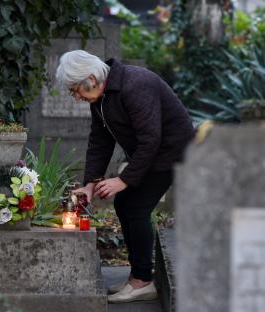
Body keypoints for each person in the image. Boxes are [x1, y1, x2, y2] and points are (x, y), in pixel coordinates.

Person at [56, 50, 194, 303]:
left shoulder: (135, 85)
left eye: (75, 89)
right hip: (150, 154)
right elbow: (100, 141)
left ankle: (142, 282)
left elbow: (151, 140)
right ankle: (137, 278)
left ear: (91, 78)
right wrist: (90, 184)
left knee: (136, 207)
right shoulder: (101, 98)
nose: (75, 96)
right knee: (124, 204)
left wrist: (123, 180)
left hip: (171, 152)